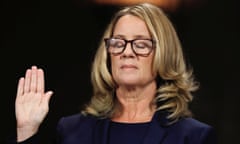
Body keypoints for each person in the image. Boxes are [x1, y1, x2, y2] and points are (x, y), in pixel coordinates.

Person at [8, 2, 217, 144]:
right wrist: (27, 130)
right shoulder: (72, 130)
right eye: (118, 43)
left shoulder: (193, 136)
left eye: (141, 44)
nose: (127, 52)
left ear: (164, 53)